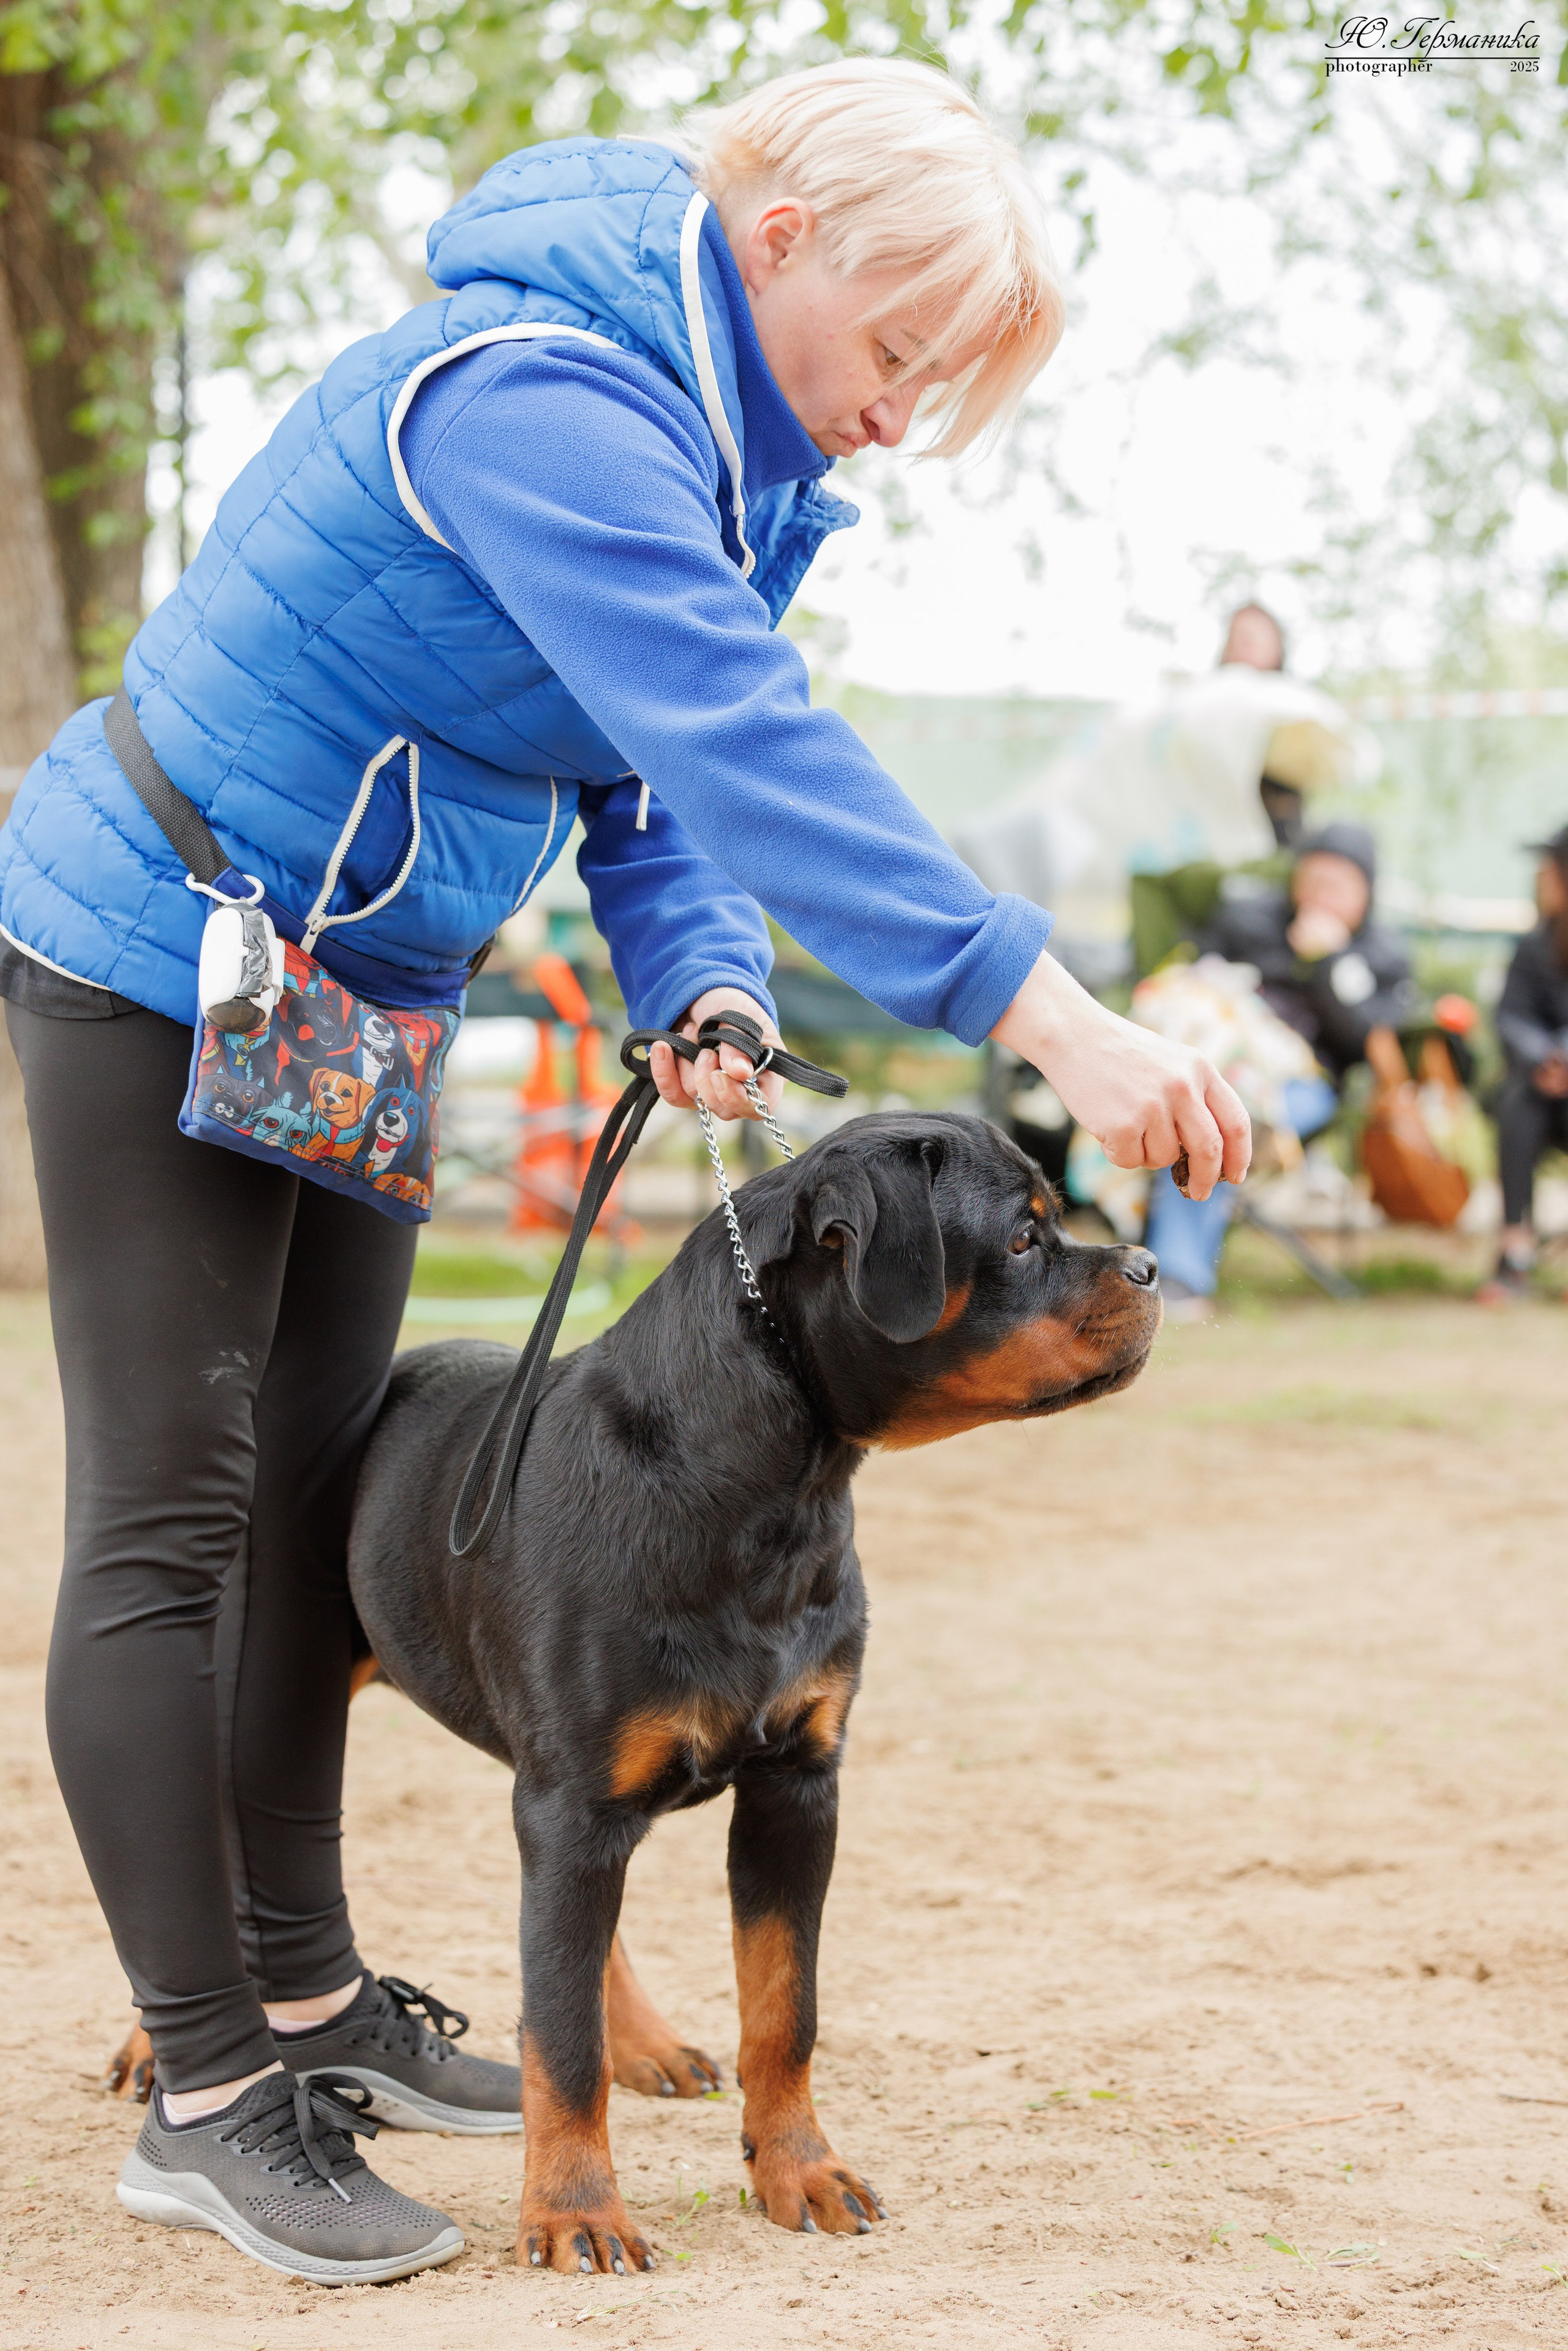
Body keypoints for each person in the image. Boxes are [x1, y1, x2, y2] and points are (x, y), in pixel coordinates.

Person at [0, 59, 1249, 2282]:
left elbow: (651, 794)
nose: (895, 417)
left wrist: (710, 981)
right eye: (895, 357)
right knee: (172, 1521)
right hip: (161, 944)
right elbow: (729, 730)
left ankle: (309, 1995)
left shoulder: (722, 454)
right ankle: (207, 2079)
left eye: (936, 389)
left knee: (307, 1498)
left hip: (360, 985)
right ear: (773, 240)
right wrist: (1039, 1002)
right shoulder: (541, 394)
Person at [1145, 821, 1411, 1308]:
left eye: (1337, 886)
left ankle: (1178, 1277)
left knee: (1222, 1119)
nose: (1319, 896)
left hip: (1307, 1084)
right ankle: (1161, 1262)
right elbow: (1192, 978)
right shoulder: (1248, 918)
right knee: (1199, 1107)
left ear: (1366, 893)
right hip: (1220, 1062)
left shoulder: (1383, 955)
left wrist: (1331, 963)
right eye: (1311, 880)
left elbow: (1366, 1043)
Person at [1477, 823, 1568, 1304]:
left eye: (1550, 868)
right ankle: (1514, 1246)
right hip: (1544, 1091)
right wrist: (1545, 1059)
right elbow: (1511, 1015)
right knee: (1517, 1099)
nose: (1541, 877)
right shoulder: (1536, 946)